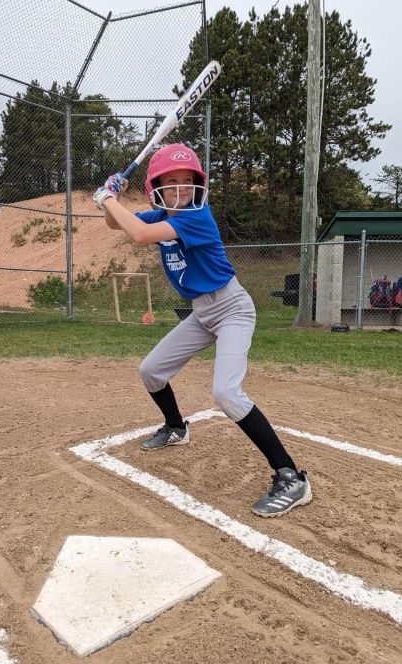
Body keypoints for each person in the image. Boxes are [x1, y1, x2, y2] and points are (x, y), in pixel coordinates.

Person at [93, 143, 312, 517]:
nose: (180, 188)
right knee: (150, 371)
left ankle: (291, 477)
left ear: (198, 186)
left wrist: (106, 199)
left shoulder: (197, 217)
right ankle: (177, 427)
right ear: (156, 188)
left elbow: (140, 235)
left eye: (186, 181)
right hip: (201, 312)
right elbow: (119, 223)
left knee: (226, 392)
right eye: (171, 181)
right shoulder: (161, 214)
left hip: (231, 308)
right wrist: (112, 197)